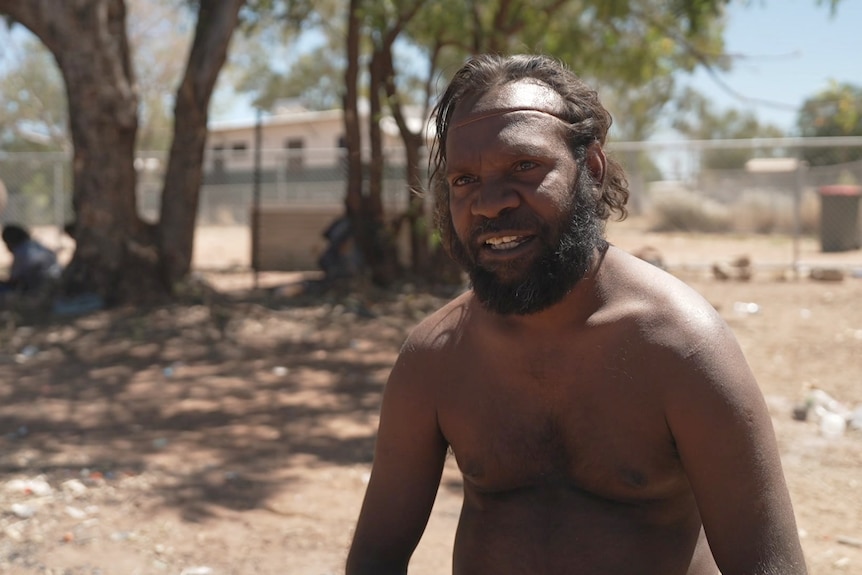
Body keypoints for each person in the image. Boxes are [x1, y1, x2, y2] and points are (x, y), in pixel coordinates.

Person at [345, 54, 807, 575]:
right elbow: (376, 558)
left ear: (590, 168)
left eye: (523, 166)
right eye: (464, 180)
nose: (489, 202)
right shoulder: (434, 359)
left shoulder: (679, 347)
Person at [1, 224, 62, 295]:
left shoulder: (21, 252)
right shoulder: (35, 245)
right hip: (55, 283)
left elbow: (15, 281)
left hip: (39, 289)